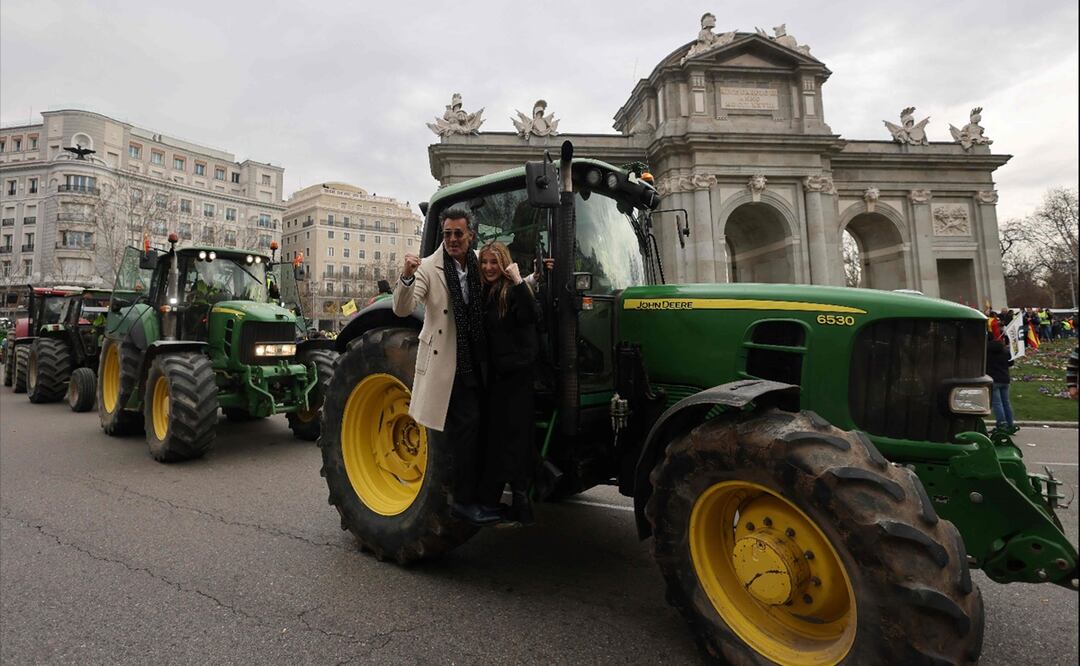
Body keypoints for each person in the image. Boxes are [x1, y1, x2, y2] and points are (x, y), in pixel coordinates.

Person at [394, 207, 499, 526]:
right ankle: (462, 503)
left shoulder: (480, 261)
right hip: (448, 363)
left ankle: (479, 497)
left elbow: (502, 279)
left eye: (459, 234)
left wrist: (535, 275)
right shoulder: (427, 267)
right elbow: (403, 308)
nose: (453, 240)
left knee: (481, 429)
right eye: (448, 234)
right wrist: (407, 276)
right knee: (465, 431)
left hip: (478, 360)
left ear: (470, 236)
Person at [476, 241, 542, 526]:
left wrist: (518, 280)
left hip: (514, 376)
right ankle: (500, 501)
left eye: (494, 263)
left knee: (513, 439)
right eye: (485, 263)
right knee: (501, 439)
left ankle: (519, 503)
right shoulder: (486, 292)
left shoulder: (511, 292)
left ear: (504, 264)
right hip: (497, 376)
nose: (489, 268)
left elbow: (531, 315)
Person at [986, 330, 1016, 432]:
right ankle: (1010, 423)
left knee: (997, 403)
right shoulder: (1005, 350)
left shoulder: (986, 351)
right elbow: (1011, 363)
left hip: (993, 379)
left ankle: (1001, 423)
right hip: (1005, 378)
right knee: (1006, 403)